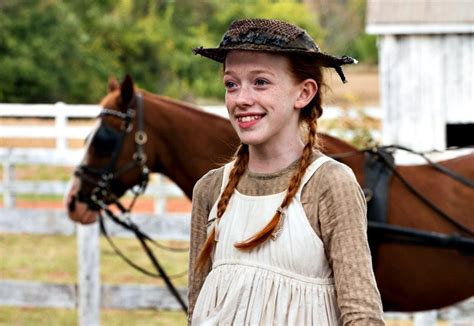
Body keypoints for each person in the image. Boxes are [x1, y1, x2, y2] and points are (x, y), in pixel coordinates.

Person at [189, 18, 384, 325]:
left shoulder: (328, 184)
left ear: (303, 93)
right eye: (231, 84)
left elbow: (361, 315)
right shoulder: (210, 189)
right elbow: (197, 308)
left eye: (261, 82)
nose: (241, 99)